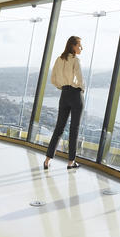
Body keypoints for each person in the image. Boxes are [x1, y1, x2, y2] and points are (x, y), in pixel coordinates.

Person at [43, 36, 85, 170]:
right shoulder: (75, 60)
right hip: (75, 94)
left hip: (64, 94)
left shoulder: (59, 59)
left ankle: (47, 160)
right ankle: (71, 162)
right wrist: (80, 89)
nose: (81, 48)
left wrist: (62, 87)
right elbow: (80, 80)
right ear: (73, 46)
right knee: (74, 128)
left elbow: (53, 79)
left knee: (59, 128)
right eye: (79, 46)